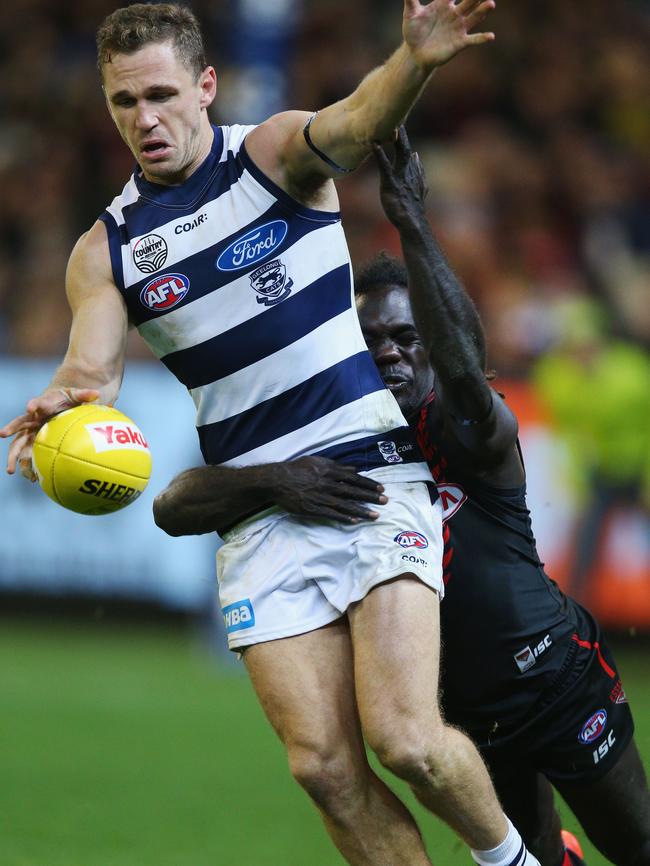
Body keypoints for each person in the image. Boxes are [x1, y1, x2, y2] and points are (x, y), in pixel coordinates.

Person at [0, 4, 544, 866]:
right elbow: (94, 370)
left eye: (162, 95)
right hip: (259, 514)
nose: (145, 119)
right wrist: (66, 398)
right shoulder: (106, 249)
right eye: (123, 102)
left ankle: (520, 861)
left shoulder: (272, 157)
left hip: (370, 477)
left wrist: (414, 62)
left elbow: (360, 119)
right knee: (322, 768)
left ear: (206, 87)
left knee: (408, 742)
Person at [153, 128, 650, 866]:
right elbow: (174, 507)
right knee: (537, 857)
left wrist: (413, 220)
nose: (388, 350)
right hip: (460, 723)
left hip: (552, 683)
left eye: (406, 336)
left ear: (434, 341)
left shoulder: (466, 428)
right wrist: (276, 480)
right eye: (371, 340)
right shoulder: (323, 451)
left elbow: (464, 367)